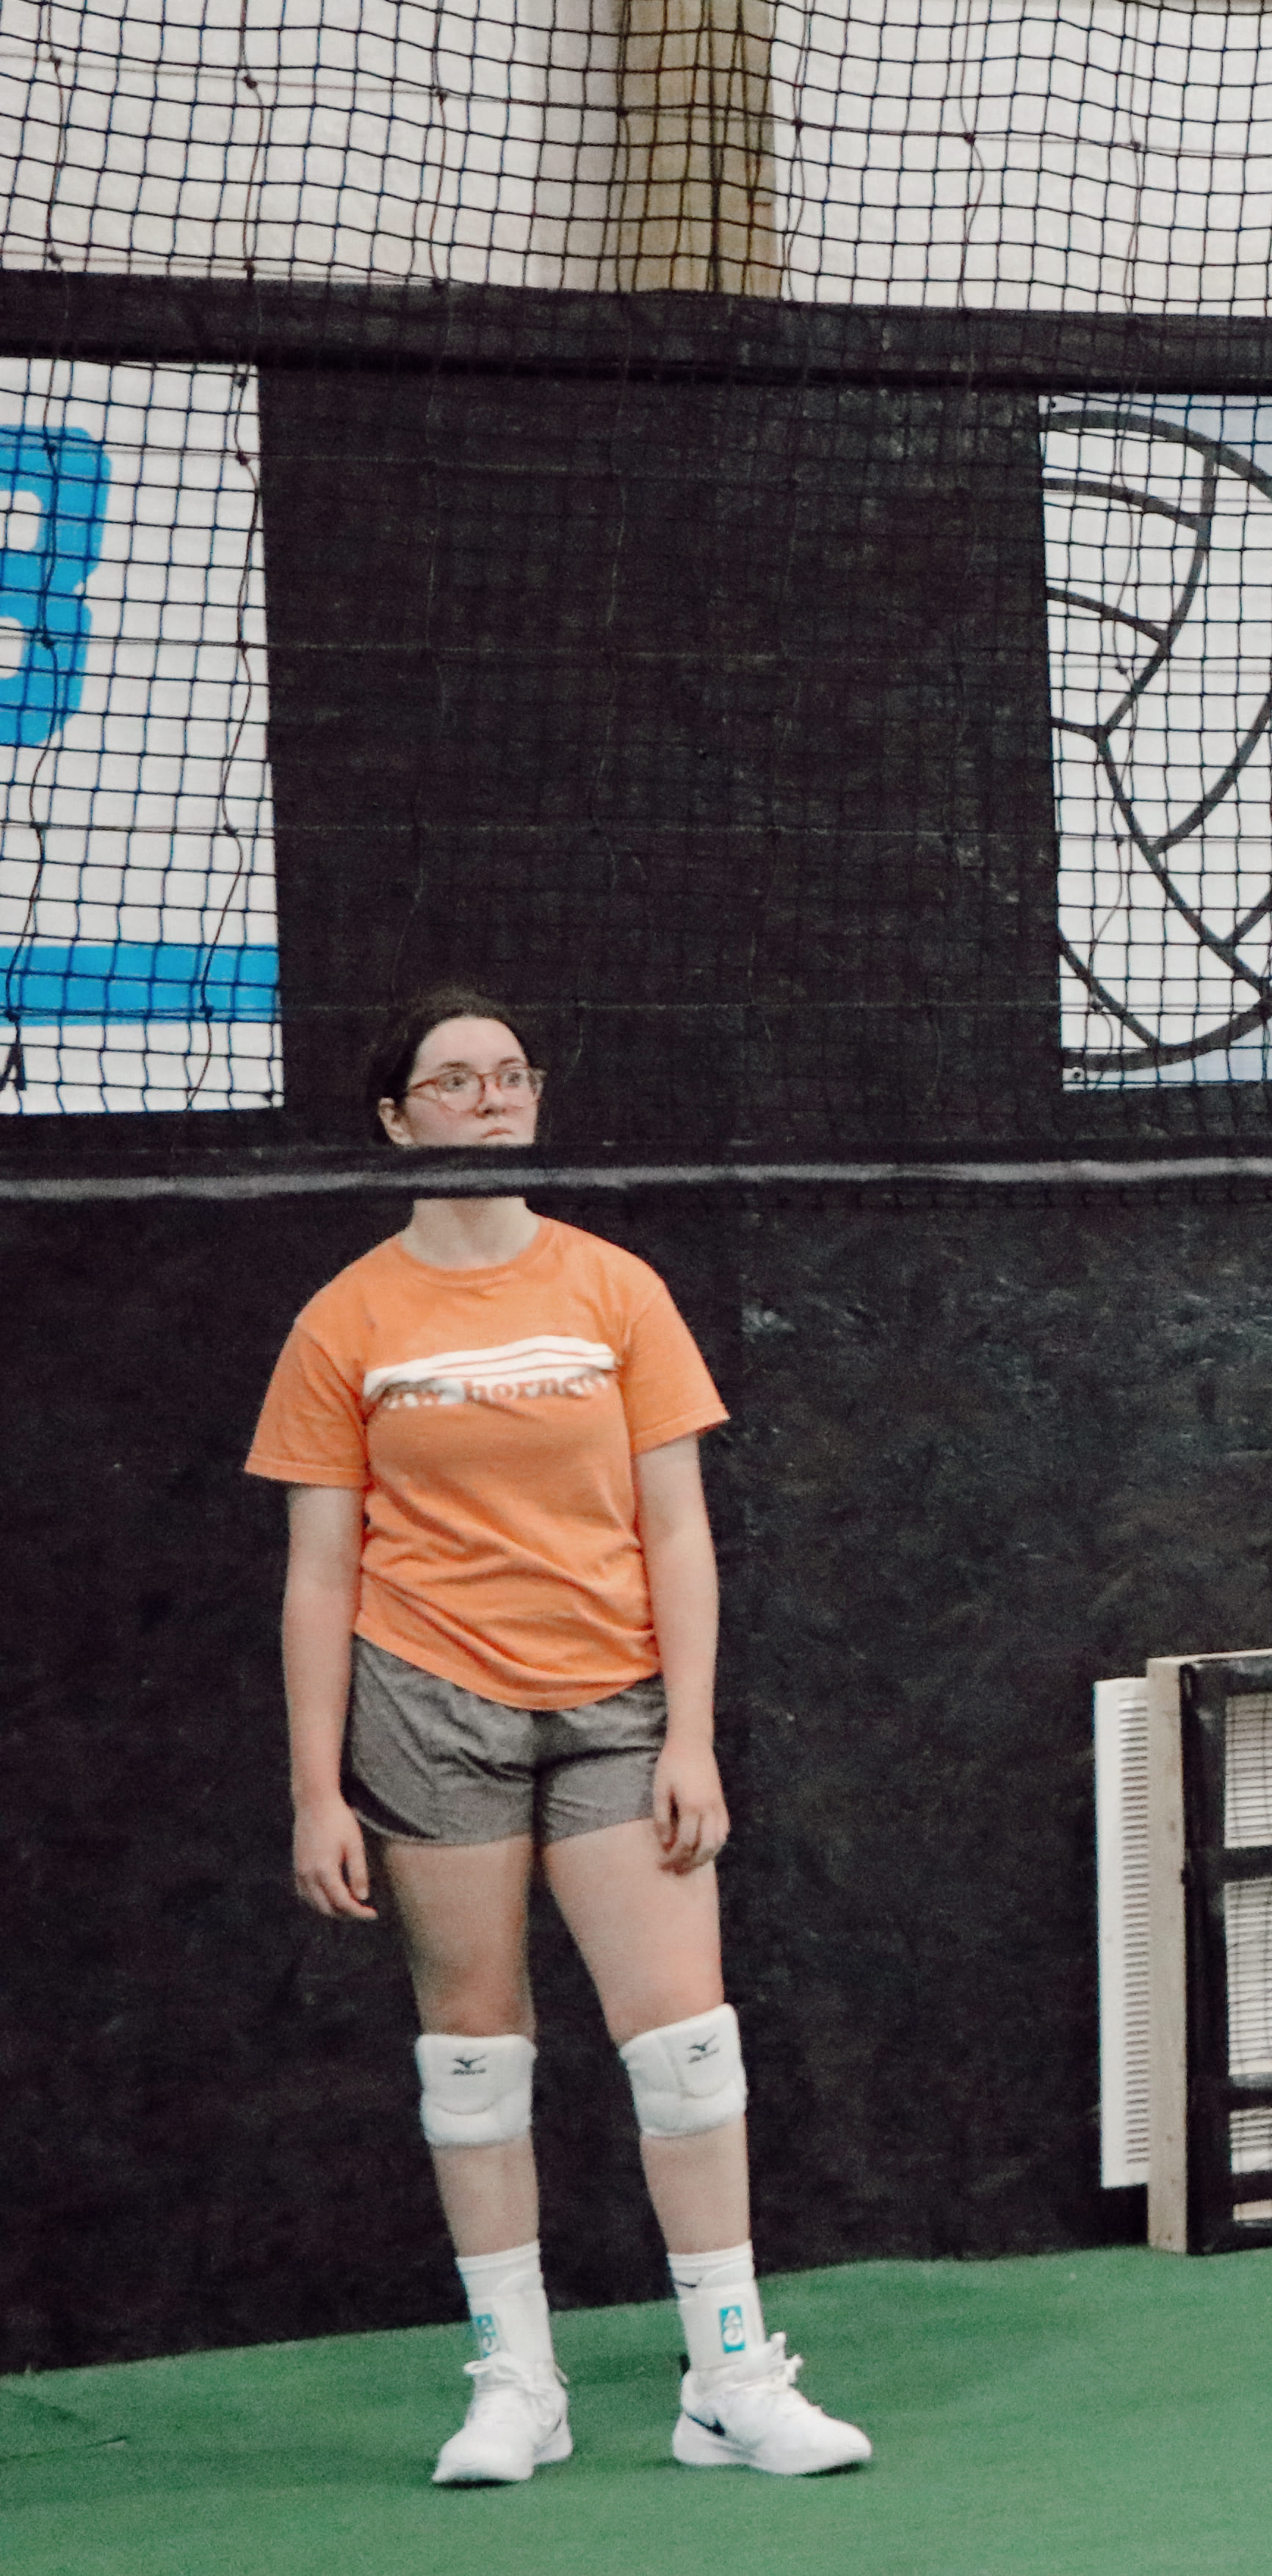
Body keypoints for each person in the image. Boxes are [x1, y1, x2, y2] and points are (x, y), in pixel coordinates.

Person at [252, 986, 870, 2487]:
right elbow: (321, 1568)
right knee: (474, 2054)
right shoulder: (349, 1316)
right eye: (453, 1080)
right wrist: (314, 1787)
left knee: (688, 2045)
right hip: (426, 1700)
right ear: (396, 1116)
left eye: (510, 1075)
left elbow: (680, 1525)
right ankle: (515, 2382)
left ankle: (728, 2375)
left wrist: (695, 1735)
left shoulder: (616, 1289)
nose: (489, 1097)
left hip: (618, 1706)